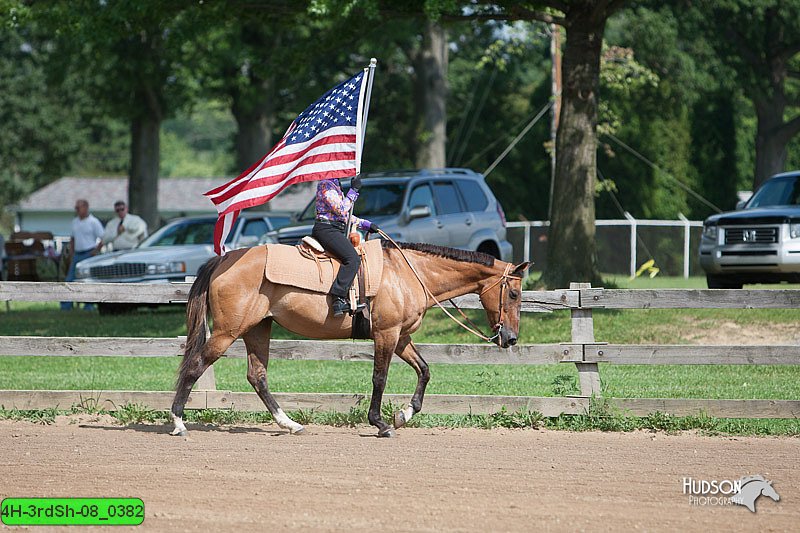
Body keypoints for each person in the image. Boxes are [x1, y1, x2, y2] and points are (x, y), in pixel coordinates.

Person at [312, 175, 380, 317]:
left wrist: (364, 224)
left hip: (335, 228)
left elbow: (344, 217)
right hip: (326, 229)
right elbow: (341, 209)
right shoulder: (326, 184)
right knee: (353, 259)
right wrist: (353, 190)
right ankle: (338, 298)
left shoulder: (335, 184)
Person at [60, 199, 104, 311]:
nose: (77, 210)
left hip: (89, 253)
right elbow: (73, 239)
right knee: (69, 279)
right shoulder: (75, 222)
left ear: (86, 207)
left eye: (78, 208)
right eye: (76, 208)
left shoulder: (93, 222)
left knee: (87, 280)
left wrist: (96, 250)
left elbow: (103, 238)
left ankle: (89, 305)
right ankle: (66, 306)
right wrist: (71, 254)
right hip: (77, 254)